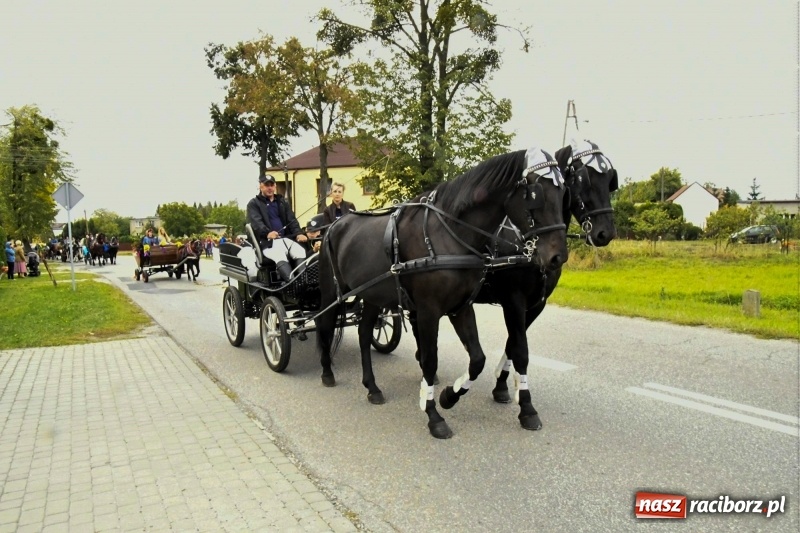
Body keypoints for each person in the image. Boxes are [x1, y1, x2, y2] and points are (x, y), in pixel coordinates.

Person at [246, 174, 308, 282]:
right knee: (279, 255)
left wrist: (298, 233)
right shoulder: (254, 204)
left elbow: (292, 220)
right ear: (261, 186)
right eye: (267, 185)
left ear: (275, 186)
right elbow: (257, 223)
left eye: (271, 185)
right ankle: (292, 283)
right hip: (268, 244)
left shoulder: (282, 202)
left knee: (300, 251)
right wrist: (267, 233)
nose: (269, 188)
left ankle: (303, 283)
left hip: (286, 240)